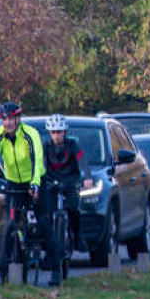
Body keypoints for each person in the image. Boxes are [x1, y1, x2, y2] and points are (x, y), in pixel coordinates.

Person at [0, 102, 49, 281]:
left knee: (44, 222)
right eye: (4, 119)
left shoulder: (30, 134)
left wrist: (35, 184)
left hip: (34, 180)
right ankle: (14, 247)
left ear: (18, 118)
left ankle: (55, 267)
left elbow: (37, 160)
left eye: (11, 118)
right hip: (13, 182)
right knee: (11, 220)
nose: (8, 123)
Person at [40, 115, 94, 268]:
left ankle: (77, 236)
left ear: (65, 132)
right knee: (46, 213)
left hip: (70, 181)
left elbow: (81, 159)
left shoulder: (73, 145)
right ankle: (49, 252)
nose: (56, 136)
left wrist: (87, 176)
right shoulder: (46, 146)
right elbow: (38, 162)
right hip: (51, 182)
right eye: (53, 132)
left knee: (73, 207)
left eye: (59, 132)